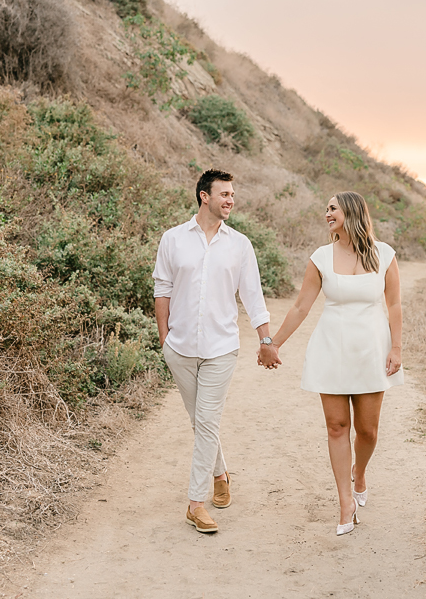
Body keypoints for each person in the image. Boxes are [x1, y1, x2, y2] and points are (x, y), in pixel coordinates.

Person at [258, 191, 403, 536]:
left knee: (367, 431)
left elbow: (395, 304)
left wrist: (397, 347)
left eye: (332, 208)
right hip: (331, 350)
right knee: (337, 427)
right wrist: (272, 343)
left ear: (351, 211)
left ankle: (359, 473)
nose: (327, 213)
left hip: (371, 350)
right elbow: (300, 307)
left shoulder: (384, 254)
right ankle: (345, 502)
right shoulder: (321, 257)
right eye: (326, 209)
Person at [153, 169, 273, 534]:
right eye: (224, 194)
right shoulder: (173, 239)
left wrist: (266, 341)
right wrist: (165, 340)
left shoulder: (240, 245)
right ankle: (220, 474)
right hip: (180, 348)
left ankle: (195, 504)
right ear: (204, 196)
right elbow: (162, 290)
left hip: (221, 348)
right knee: (200, 422)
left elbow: (253, 296)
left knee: (206, 421)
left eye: (232, 194)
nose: (230, 200)